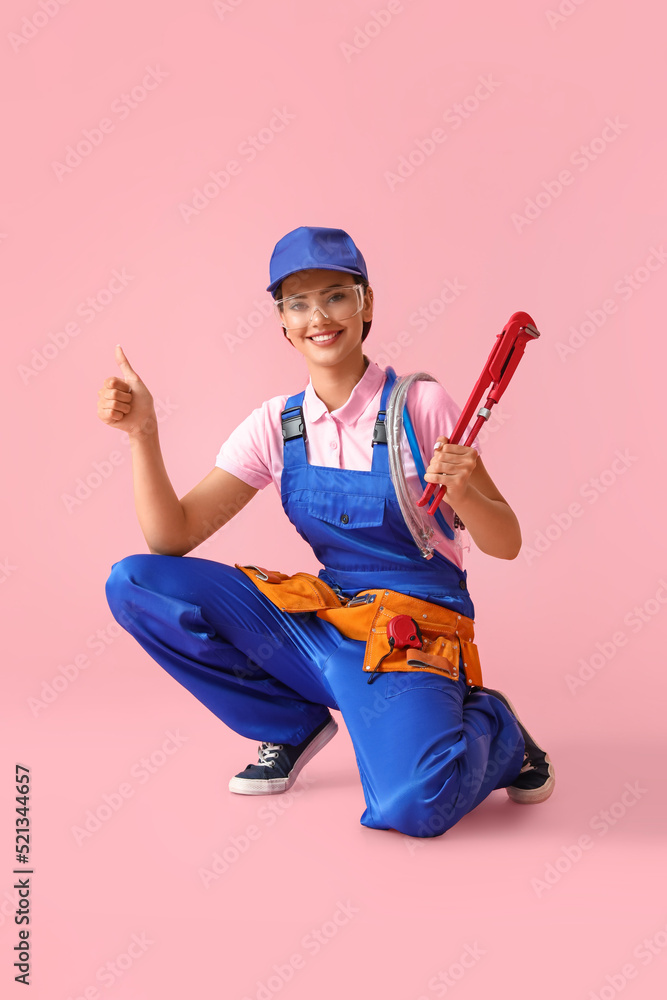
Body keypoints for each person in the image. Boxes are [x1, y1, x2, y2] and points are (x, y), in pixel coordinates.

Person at [99, 225, 554, 839]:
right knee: (137, 582)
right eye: (298, 302)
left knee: (414, 805)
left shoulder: (420, 407)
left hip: (409, 638)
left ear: (367, 305)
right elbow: (171, 539)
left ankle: (497, 727)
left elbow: (507, 543)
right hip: (325, 620)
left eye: (337, 295)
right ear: (282, 323)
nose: (320, 316)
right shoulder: (275, 425)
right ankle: (289, 725)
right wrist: (142, 434)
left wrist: (466, 488)